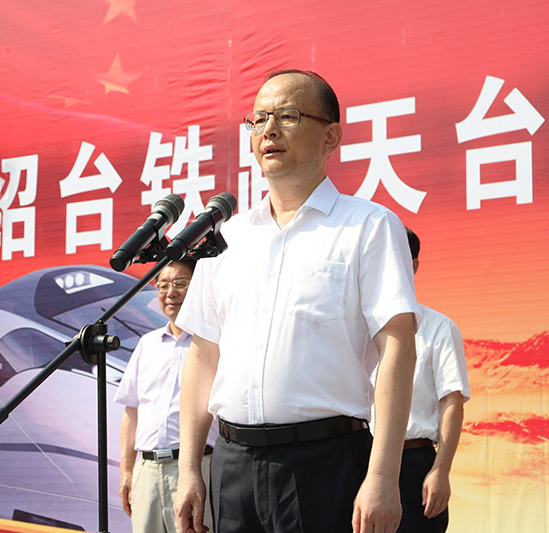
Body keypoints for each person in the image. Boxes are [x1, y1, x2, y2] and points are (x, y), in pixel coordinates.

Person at [173, 69, 421, 533]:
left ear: (331, 137)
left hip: (324, 463)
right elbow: (203, 356)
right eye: (258, 119)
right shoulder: (225, 238)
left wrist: (383, 475)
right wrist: (190, 468)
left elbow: (398, 349)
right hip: (232, 466)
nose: (268, 130)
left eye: (287, 116)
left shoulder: (368, 226)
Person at [371, 228, 469, 533]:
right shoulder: (357, 328)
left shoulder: (439, 327)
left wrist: (441, 470)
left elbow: (452, 402)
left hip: (414, 463)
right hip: (360, 458)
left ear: (412, 265)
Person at [114, 260, 217, 533]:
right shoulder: (147, 345)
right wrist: (127, 471)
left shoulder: (212, 344)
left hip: (197, 468)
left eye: (181, 283)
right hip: (147, 471)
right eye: (163, 285)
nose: (171, 292)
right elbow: (132, 411)